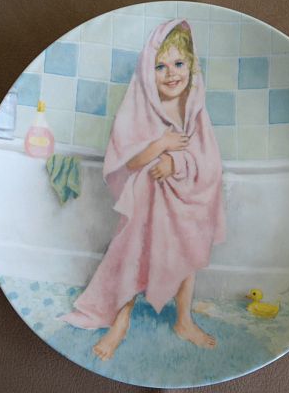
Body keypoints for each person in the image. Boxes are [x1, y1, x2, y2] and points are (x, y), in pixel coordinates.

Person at [61, 19, 225, 361]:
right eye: (160, 66)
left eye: (178, 63)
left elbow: (208, 160)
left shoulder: (194, 110)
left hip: (183, 205)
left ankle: (184, 320)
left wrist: (176, 163)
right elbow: (128, 160)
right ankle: (121, 321)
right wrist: (160, 145)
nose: (171, 74)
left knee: (187, 256)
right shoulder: (141, 109)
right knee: (132, 258)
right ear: (147, 73)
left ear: (191, 66)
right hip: (146, 207)